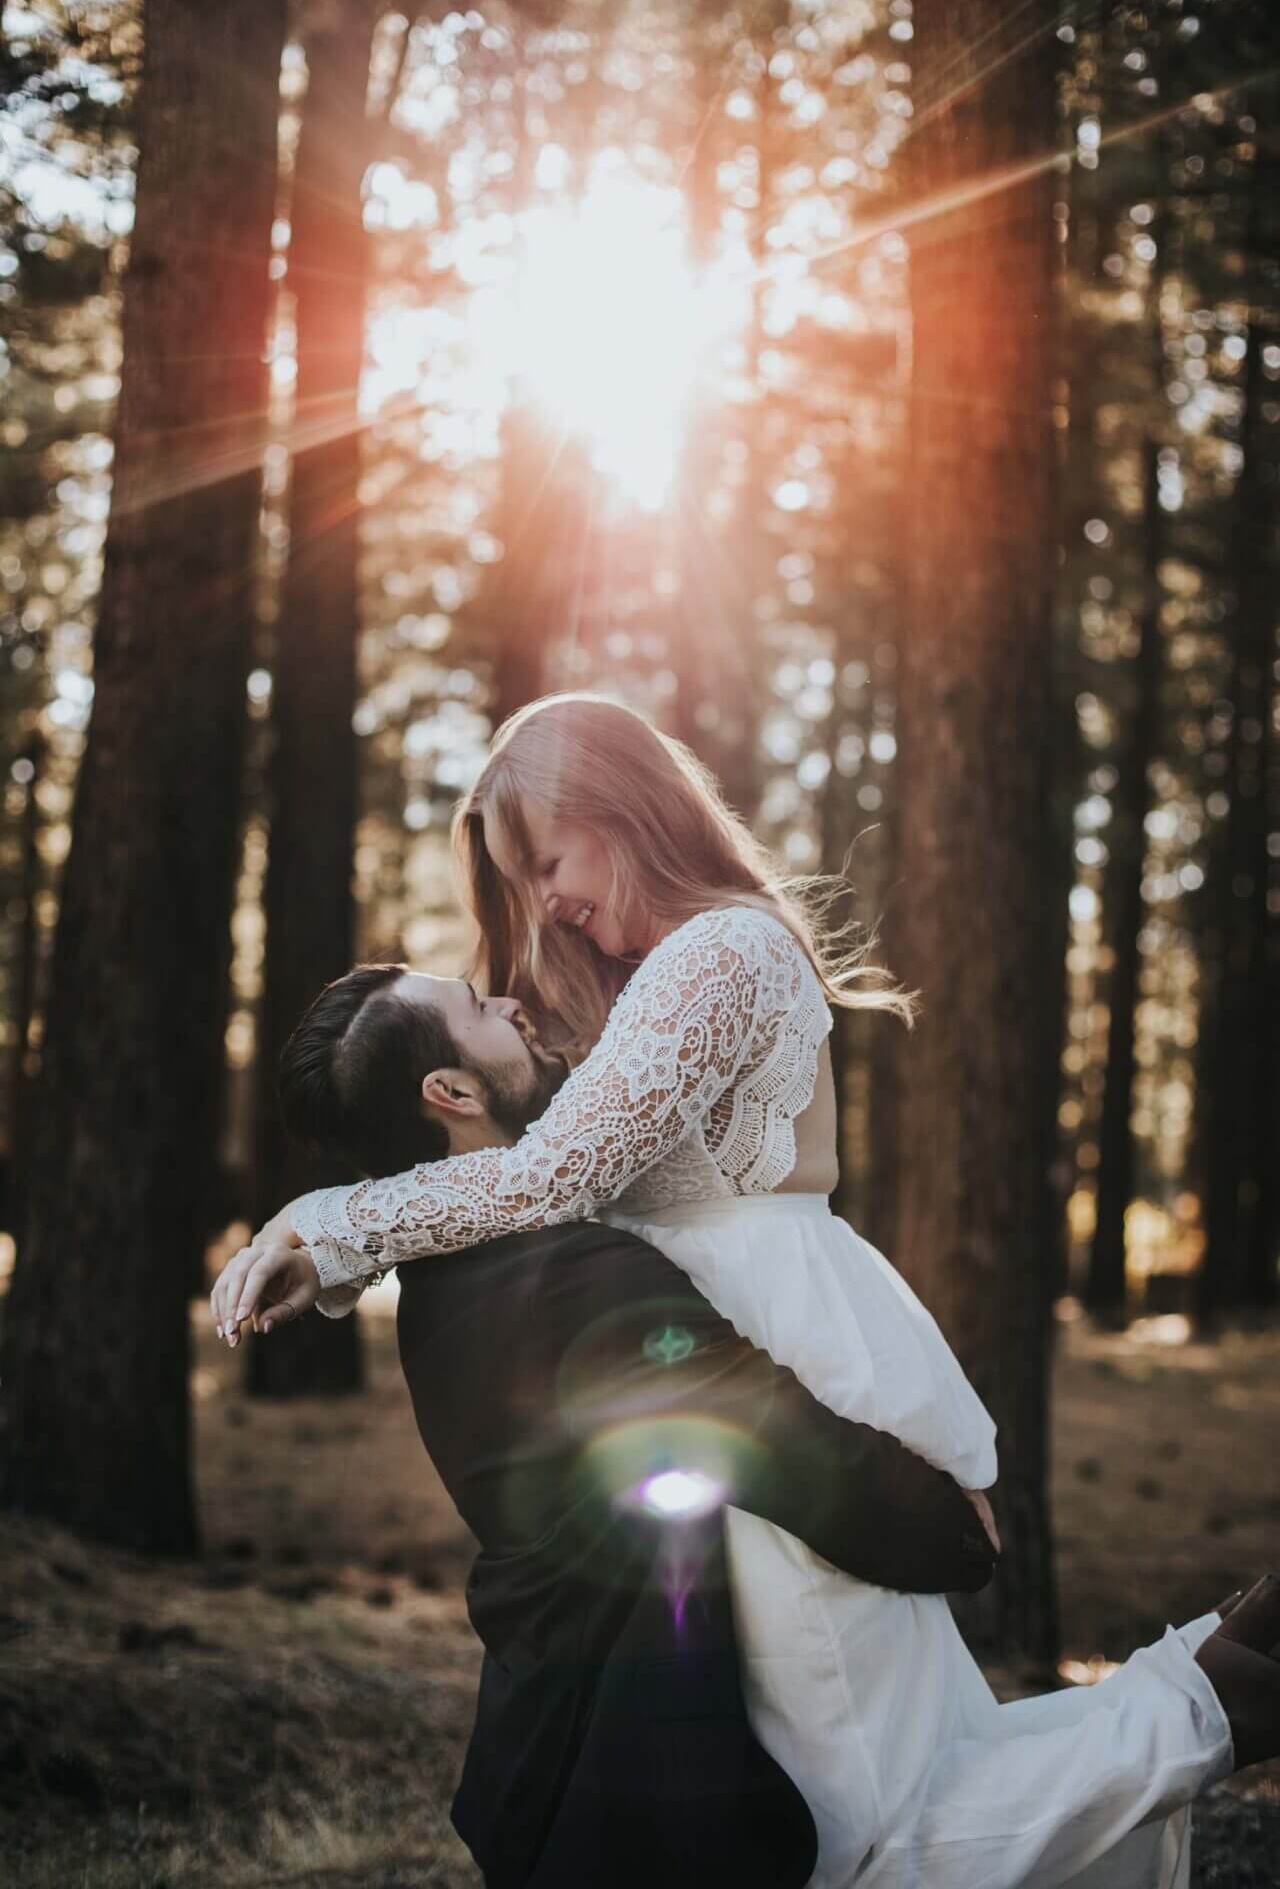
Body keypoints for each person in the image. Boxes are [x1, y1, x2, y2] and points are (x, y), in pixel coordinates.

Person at [214, 695, 1280, 1888]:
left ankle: (1220, 1696)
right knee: (917, 1771)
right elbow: (494, 1140)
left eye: (550, 863)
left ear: (622, 813)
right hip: (736, 1353)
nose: (546, 902)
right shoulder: (647, 980)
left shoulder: (719, 955)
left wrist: (340, 1221)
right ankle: (1223, 1673)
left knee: (877, 1822)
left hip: (776, 1353)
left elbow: (555, 1172)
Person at [268, 960, 1000, 1889]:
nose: (509, 1003)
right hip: (635, 1777)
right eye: (474, 1006)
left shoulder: (440, 1279)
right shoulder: (570, 1277)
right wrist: (950, 1534)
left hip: (546, 1744)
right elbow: (775, 1438)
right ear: (450, 1092)